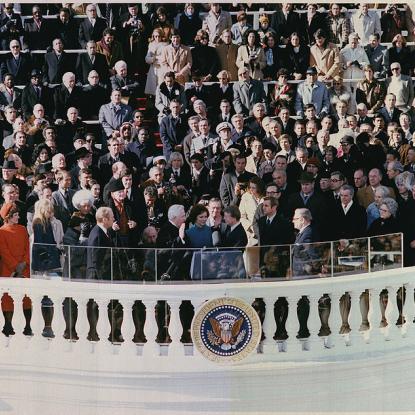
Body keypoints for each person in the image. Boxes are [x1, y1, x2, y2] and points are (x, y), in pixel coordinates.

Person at [0, 202, 31, 337]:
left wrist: (23, 263)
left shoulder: (23, 229)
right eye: (16, 215)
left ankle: (27, 325)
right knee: (8, 299)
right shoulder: (2, 231)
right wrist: (15, 267)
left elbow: (27, 248)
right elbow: (4, 252)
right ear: (8, 216)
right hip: (9, 270)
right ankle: (8, 325)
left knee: (26, 298)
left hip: (23, 268)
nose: (18, 217)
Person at [31, 198, 64, 274]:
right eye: (49, 212)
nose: (51, 214)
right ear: (42, 210)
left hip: (51, 255)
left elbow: (51, 239)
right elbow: (39, 243)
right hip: (44, 259)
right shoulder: (38, 222)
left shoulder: (47, 221)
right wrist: (46, 258)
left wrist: (57, 250)